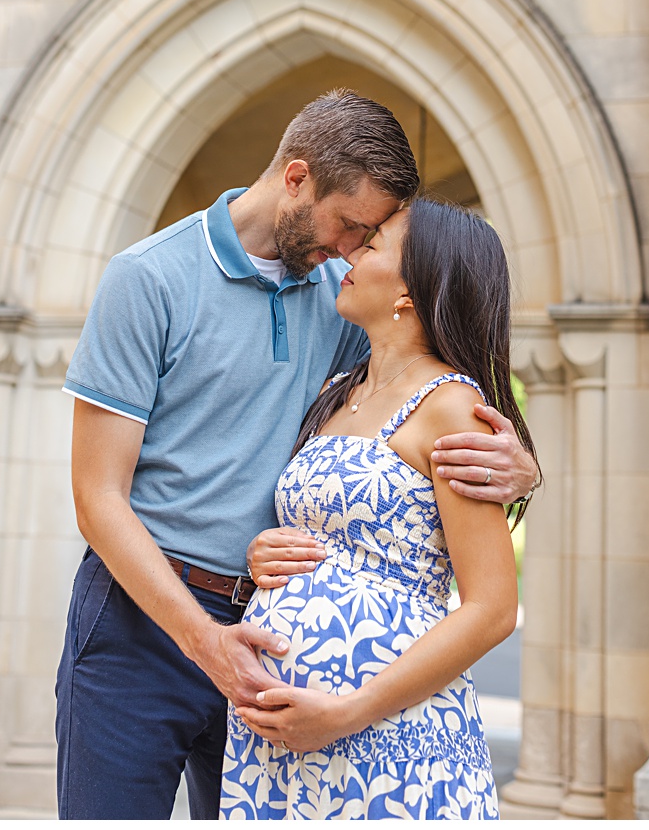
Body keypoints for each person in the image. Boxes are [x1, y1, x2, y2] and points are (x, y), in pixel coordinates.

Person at [56, 90, 540, 819]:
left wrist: (520, 467)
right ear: (295, 178)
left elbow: (418, 392)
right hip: (143, 627)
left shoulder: (344, 304)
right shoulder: (148, 279)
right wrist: (204, 640)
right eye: (349, 226)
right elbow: (98, 497)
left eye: (369, 237)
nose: (349, 251)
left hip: (272, 645)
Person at [222, 196, 536, 818]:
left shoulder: (450, 406)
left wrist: (347, 713)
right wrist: (264, 553)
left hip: (389, 738)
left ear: (411, 292)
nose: (348, 255)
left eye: (371, 245)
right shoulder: (338, 393)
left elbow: (493, 608)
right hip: (283, 747)